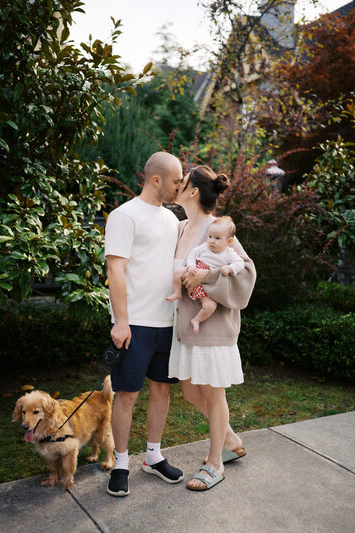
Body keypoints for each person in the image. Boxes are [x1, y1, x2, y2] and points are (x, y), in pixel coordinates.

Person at [168, 165, 256, 491]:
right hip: (186, 328)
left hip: (214, 329)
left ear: (193, 191)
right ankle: (230, 438)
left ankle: (215, 462)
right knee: (190, 390)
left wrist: (207, 277)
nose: (176, 184)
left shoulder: (217, 229)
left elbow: (246, 272)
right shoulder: (179, 228)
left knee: (213, 393)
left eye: (183, 181)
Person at [104, 151, 184, 497]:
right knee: (127, 394)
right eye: (176, 181)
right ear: (156, 180)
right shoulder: (124, 216)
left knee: (162, 390)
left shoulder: (172, 218)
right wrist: (121, 321)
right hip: (133, 324)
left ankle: (152, 456)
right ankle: (120, 462)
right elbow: (115, 270)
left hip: (167, 323)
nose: (180, 187)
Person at [166, 216, 244, 333]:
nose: (212, 241)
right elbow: (192, 253)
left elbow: (240, 263)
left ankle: (196, 320)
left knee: (210, 306)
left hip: (208, 288)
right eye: (210, 236)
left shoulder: (229, 253)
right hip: (194, 272)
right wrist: (191, 265)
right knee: (178, 272)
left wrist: (230, 268)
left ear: (229, 241)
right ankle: (177, 293)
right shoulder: (204, 247)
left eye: (217, 238)